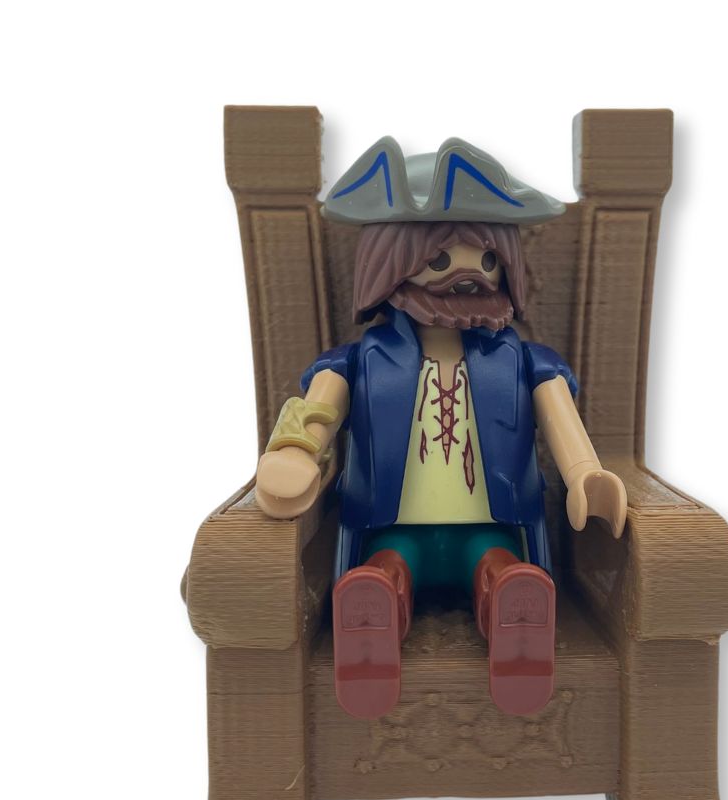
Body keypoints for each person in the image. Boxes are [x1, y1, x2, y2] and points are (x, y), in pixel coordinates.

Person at [255, 137, 626, 719]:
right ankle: (375, 615)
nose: (468, 276)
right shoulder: (363, 359)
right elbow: (317, 410)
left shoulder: (521, 360)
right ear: (390, 267)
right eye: (439, 262)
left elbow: (561, 418)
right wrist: (295, 452)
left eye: (487, 262)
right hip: (393, 529)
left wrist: (585, 475)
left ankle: (513, 613)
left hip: (491, 527)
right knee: (384, 569)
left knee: (502, 566)